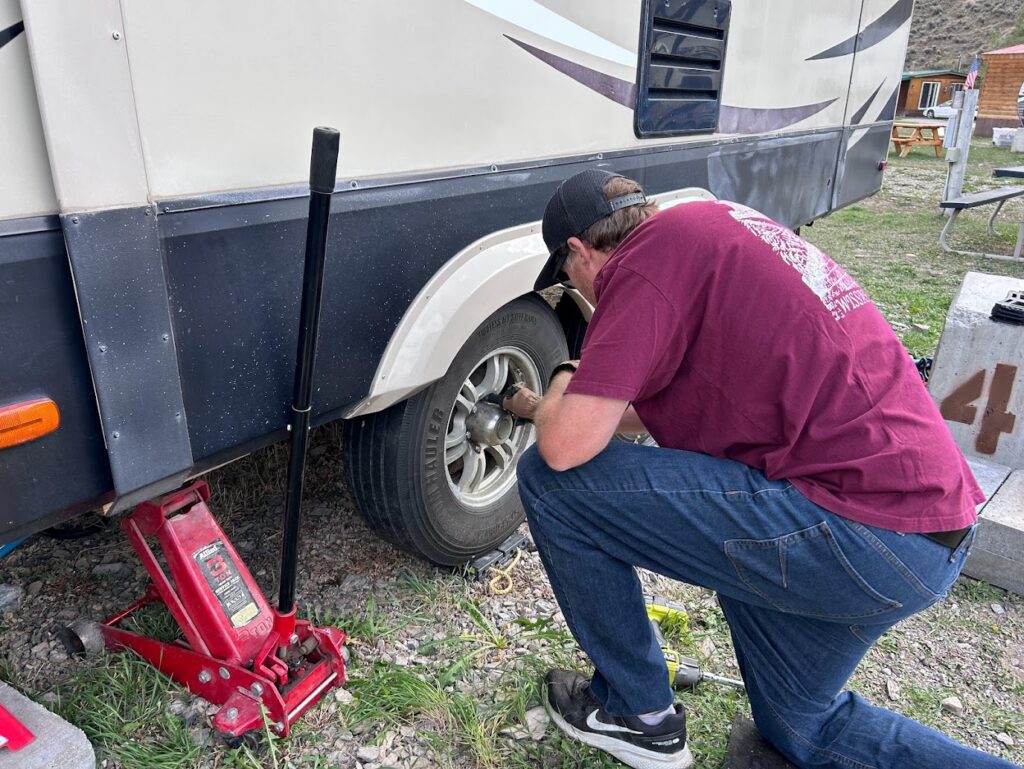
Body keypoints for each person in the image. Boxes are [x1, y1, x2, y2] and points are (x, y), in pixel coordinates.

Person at [502, 169, 1017, 769]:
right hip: (925, 537)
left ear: (578, 251)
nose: (584, 290)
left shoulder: (638, 266)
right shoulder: (712, 230)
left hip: (858, 529)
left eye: (571, 279)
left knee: (551, 482)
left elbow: (566, 448)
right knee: (801, 726)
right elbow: (638, 409)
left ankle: (637, 714)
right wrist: (591, 400)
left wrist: (567, 374)